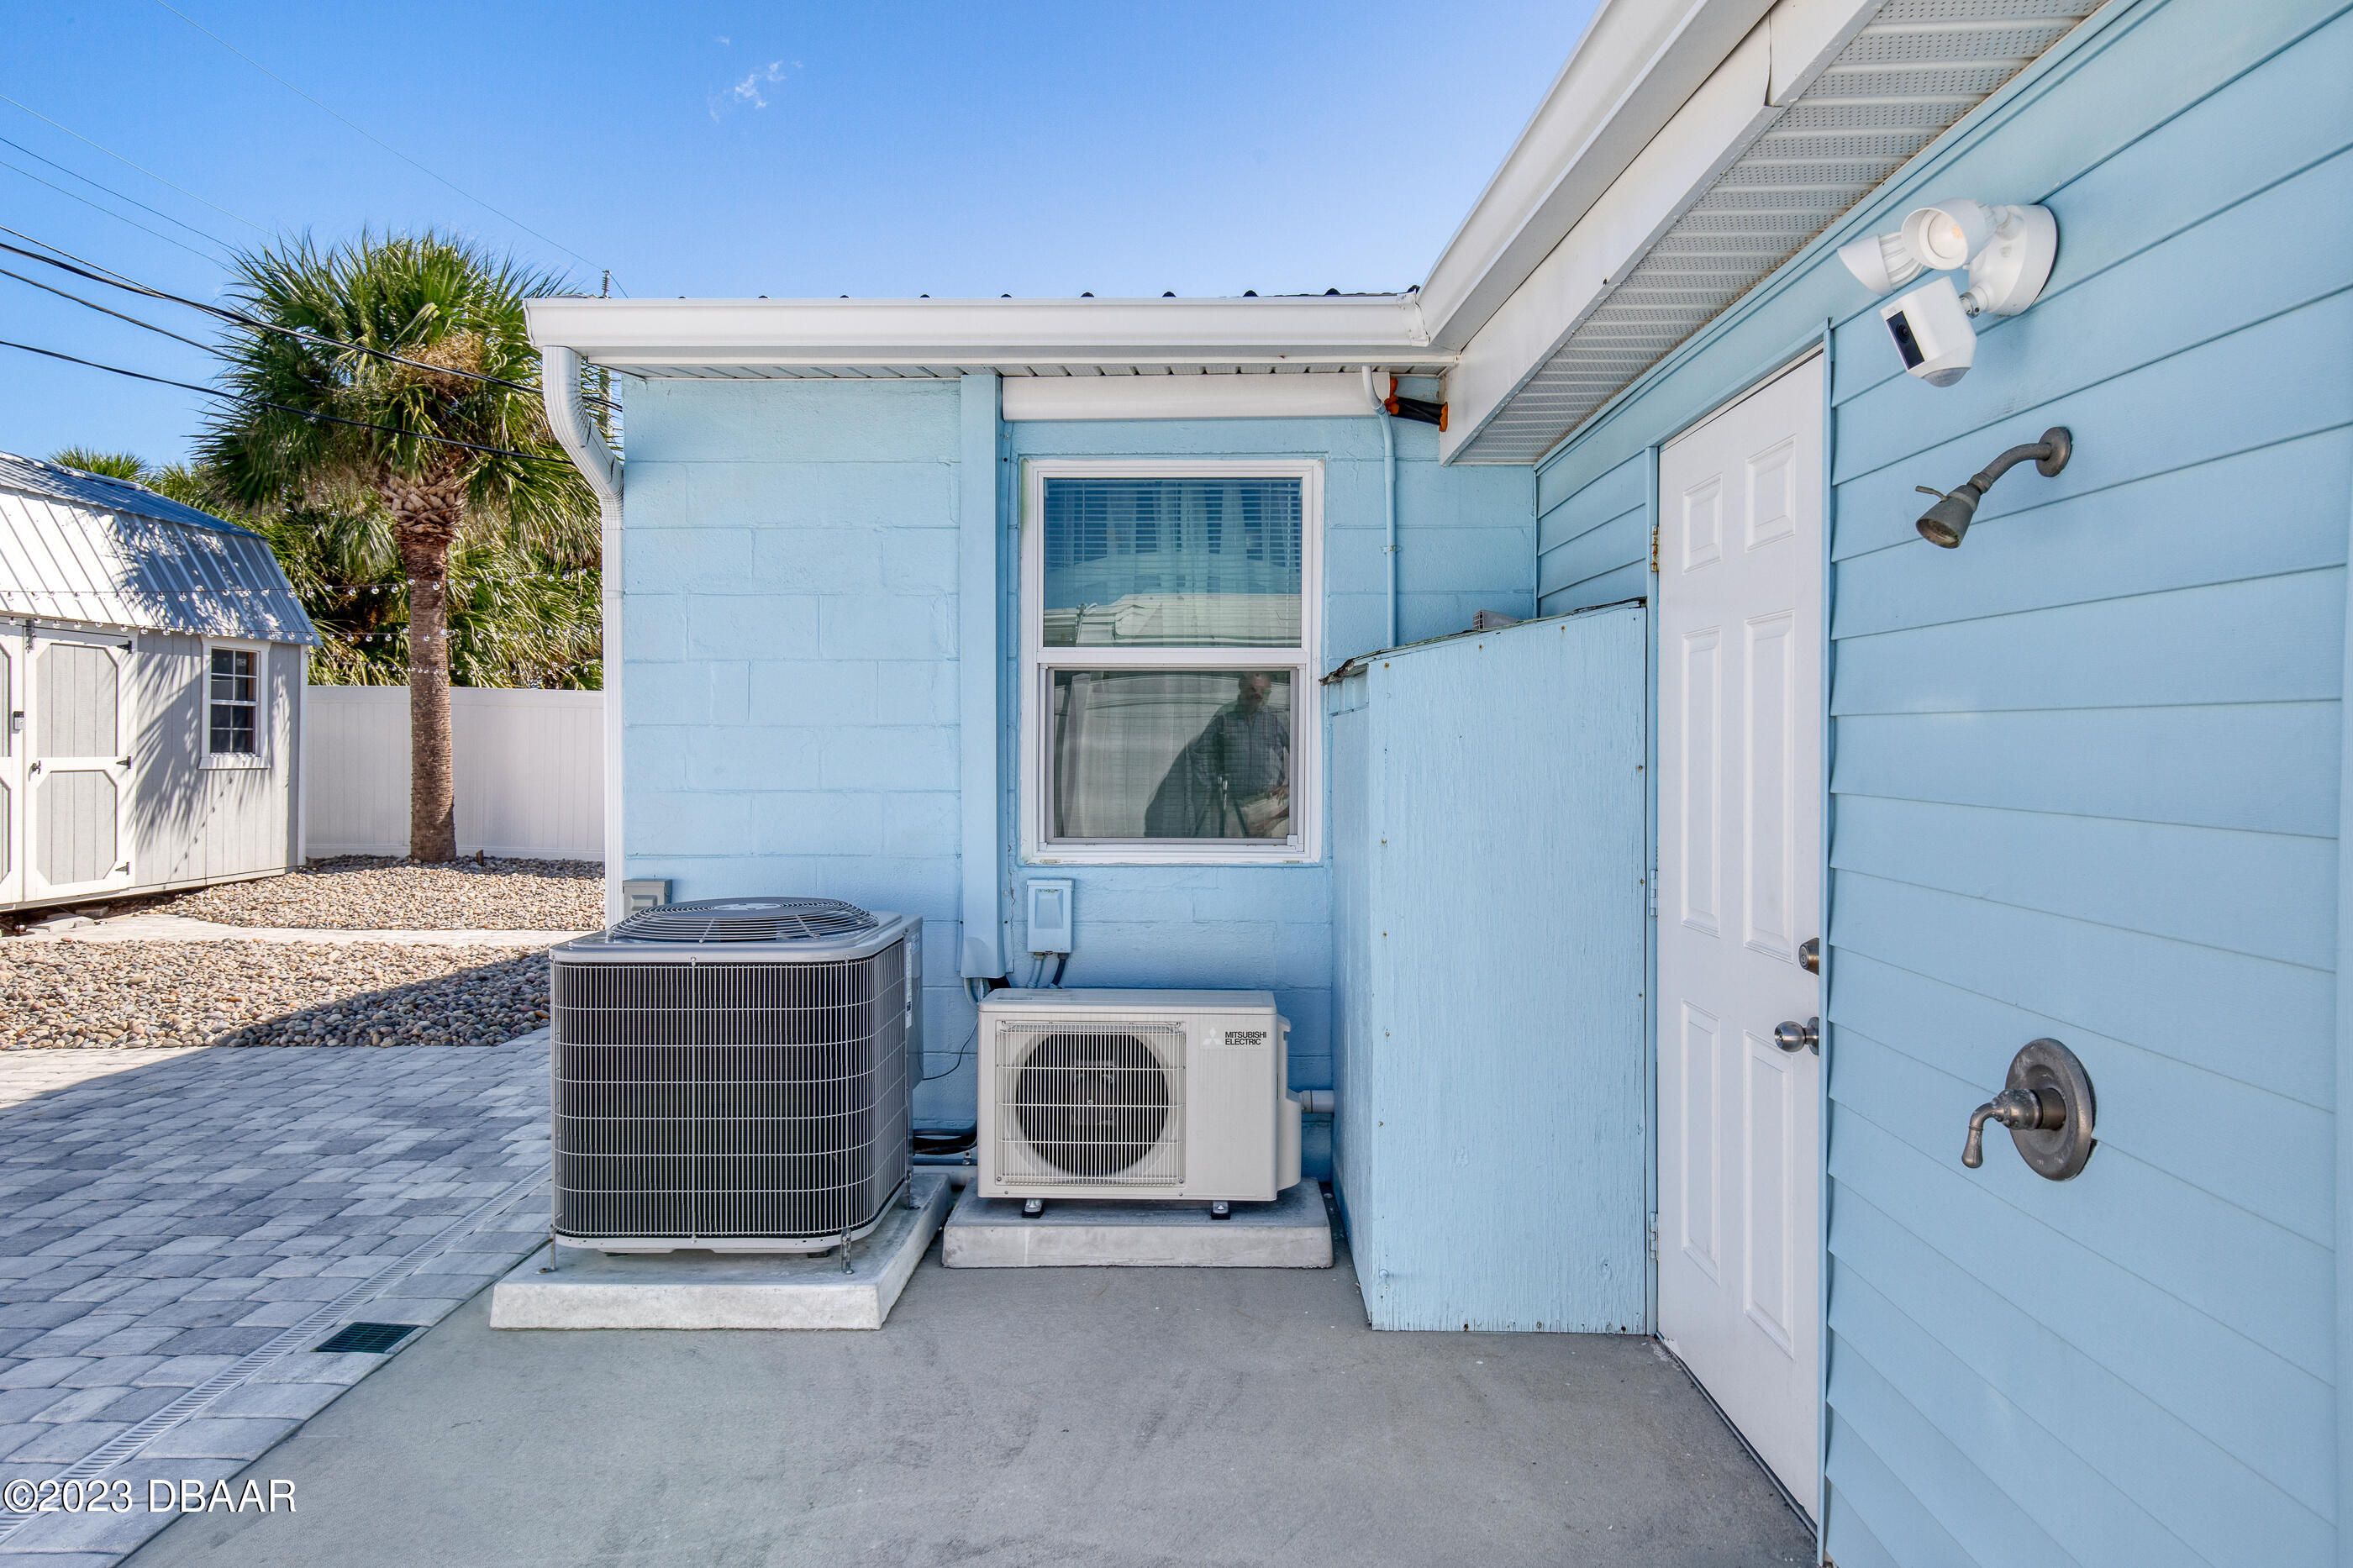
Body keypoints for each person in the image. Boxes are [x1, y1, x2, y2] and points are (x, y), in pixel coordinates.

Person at [1143, 671, 1290, 839]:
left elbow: (1301, 752)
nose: (1258, 695)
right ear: (1241, 686)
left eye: (1264, 692)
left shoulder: (1276, 718)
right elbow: (1202, 753)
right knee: (1235, 858)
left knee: (1272, 857)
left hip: (1268, 804)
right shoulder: (1225, 717)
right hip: (1234, 805)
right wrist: (1211, 788)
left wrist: (1291, 785)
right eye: (1253, 689)